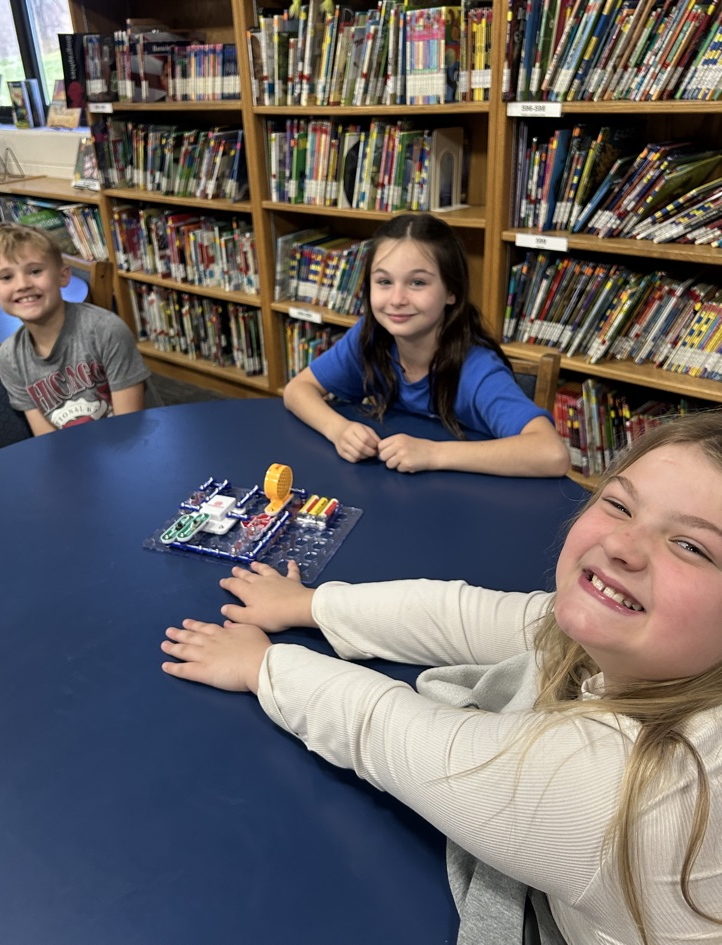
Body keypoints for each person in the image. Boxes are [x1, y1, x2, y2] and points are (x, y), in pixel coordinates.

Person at [161, 411, 722, 944]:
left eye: (692, 546)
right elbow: (468, 615)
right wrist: (313, 606)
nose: (622, 545)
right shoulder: (661, 651)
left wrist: (263, 665)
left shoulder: (640, 792)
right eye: (620, 505)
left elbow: (400, 737)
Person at [283, 213, 569, 476]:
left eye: (417, 283)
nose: (397, 299)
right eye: (384, 281)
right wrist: (339, 430)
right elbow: (297, 390)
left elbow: (552, 454)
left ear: (451, 292)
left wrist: (433, 453)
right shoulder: (369, 337)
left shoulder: (477, 369)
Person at [0, 222, 150, 435]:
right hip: (71, 456)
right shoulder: (9, 359)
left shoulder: (105, 330)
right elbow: (46, 439)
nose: (22, 284)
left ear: (63, 276)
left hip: (133, 445)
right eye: (6, 277)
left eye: (35, 271)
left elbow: (130, 427)